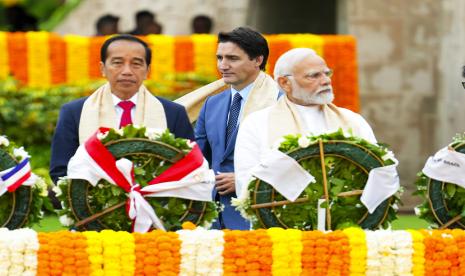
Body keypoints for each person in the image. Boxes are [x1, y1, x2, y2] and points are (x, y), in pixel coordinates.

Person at [50, 34, 194, 184]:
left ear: (147, 71)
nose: (127, 71)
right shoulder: (74, 112)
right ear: (102, 68)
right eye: (117, 63)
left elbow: (189, 166)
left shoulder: (173, 113)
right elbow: (60, 170)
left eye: (136, 64)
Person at [235, 48, 377, 196]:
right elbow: (246, 181)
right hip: (282, 214)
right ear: (285, 83)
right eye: (314, 75)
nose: (326, 80)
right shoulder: (257, 123)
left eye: (327, 73)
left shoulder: (353, 120)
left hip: (344, 215)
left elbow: (375, 168)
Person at [194, 27, 280, 229]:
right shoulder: (211, 103)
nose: (223, 65)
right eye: (219, 58)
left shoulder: (281, 103)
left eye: (232, 58)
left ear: (258, 60)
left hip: (257, 215)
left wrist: (244, 180)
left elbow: (289, 161)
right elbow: (198, 157)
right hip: (211, 218)